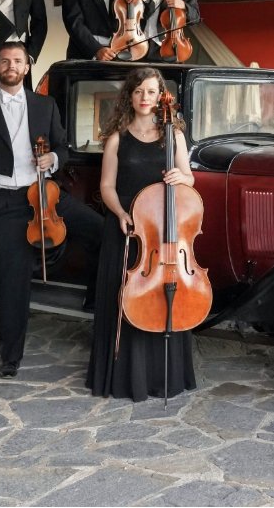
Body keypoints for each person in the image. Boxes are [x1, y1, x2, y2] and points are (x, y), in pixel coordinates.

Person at [0, 42, 102, 378]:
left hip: (46, 194)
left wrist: (52, 158)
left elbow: (62, 147)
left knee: (103, 231)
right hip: (8, 202)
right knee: (13, 281)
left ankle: (97, 302)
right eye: (5, 61)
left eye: (18, 61)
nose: (11, 66)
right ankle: (10, 357)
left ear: (27, 68)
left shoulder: (45, 104)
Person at [86, 67, 197, 401]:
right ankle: (121, 378)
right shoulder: (117, 137)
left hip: (162, 230)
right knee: (123, 298)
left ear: (160, 96)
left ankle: (162, 376)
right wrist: (121, 213)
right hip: (126, 227)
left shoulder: (173, 135)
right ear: (129, 97)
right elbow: (106, 186)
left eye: (151, 91)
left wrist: (181, 178)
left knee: (163, 295)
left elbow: (189, 178)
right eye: (138, 92)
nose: (145, 98)